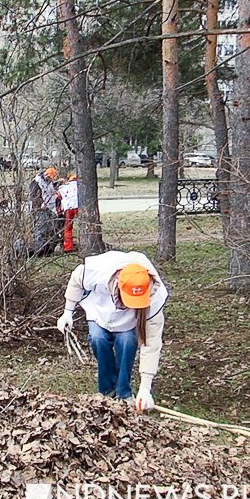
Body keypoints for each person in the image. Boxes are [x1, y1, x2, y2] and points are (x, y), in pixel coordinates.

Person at [56, 251, 169, 413]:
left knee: (127, 341)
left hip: (127, 321)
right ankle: (107, 391)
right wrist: (67, 312)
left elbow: (151, 344)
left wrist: (145, 388)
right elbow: (76, 279)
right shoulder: (99, 270)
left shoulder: (155, 296)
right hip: (99, 310)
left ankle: (123, 393)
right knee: (98, 338)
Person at [27, 166, 60, 257]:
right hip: (38, 209)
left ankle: (47, 249)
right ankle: (38, 249)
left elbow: (50, 191)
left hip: (48, 208)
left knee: (50, 228)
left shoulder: (48, 183)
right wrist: (40, 204)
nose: (50, 180)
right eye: (49, 178)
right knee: (41, 229)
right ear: (46, 175)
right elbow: (33, 196)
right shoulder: (36, 183)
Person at [59, 172, 80, 253]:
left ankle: (68, 247)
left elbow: (59, 196)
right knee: (84, 225)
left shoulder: (66, 187)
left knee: (68, 228)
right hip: (79, 207)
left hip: (69, 208)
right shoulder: (81, 186)